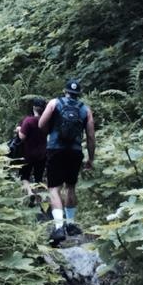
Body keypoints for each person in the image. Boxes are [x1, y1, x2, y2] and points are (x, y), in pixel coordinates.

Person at [38, 78, 95, 244]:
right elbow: (91, 136)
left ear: (65, 91)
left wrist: (50, 133)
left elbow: (41, 124)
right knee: (71, 187)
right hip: (75, 151)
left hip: (55, 149)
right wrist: (90, 158)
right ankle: (70, 224)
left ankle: (58, 228)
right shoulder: (86, 109)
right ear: (79, 93)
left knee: (54, 188)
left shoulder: (54, 103)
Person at [16, 97, 48, 210]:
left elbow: (22, 137)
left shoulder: (28, 121)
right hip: (42, 154)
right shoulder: (47, 121)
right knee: (39, 177)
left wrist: (19, 130)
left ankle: (30, 193)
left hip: (28, 153)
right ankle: (39, 199)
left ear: (34, 107)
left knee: (25, 175)